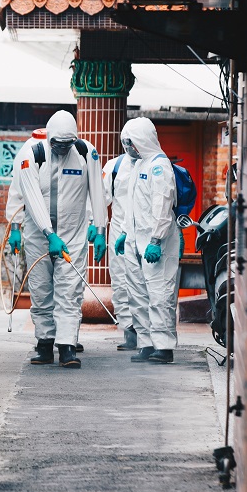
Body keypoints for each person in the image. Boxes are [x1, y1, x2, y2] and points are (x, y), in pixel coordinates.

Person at [11, 110, 107, 368]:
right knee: (42, 291)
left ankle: (66, 347)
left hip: (73, 235)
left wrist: (100, 231)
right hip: (38, 236)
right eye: (58, 144)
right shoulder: (31, 154)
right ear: (49, 137)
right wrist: (23, 229)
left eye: (68, 144)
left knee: (70, 292)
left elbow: (98, 191)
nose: (63, 149)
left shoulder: (86, 153)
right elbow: (27, 195)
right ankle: (44, 344)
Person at [114, 117, 180, 364]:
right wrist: (123, 233)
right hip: (134, 240)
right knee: (137, 293)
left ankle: (163, 347)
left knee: (159, 293)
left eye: (131, 142)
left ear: (142, 139)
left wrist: (155, 239)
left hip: (156, 244)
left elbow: (162, 206)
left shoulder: (159, 166)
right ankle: (146, 342)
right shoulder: (139, 165)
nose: (128, 148)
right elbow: (130, 206)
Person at [101, 150, 139, 351]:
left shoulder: (156, 165)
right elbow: (101, 198)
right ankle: (129, 332)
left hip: (145, 231)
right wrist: (96, 226)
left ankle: (149, 335)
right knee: (120, 282)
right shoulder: (114, 167)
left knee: (144, 285)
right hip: (118, 230)